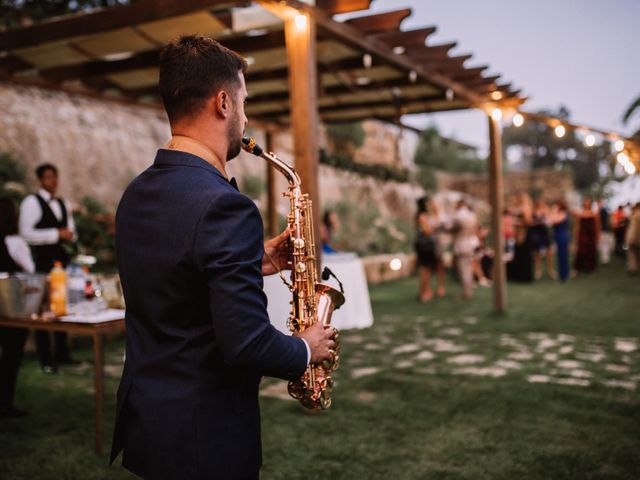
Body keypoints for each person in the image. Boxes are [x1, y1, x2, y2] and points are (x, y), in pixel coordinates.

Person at [109, 35, 336, 480]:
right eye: (243, 101)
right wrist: (304, 349)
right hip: (206, 441)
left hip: (151, 428)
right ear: (222, 103)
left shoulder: (135, 193)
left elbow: (174, 282)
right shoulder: (225, 206)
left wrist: (257, 259)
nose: (245, 115)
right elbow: (246, 343)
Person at [19, 163, 76, 373]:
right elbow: (26, 233)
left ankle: (62, 352)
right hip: (41, 263)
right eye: (49, 177)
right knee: (43, 310)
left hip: (61, 262)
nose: (53, 181)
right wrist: (55, 234)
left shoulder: (63, 203)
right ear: (40, 180)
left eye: (55, 177)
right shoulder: (31, 203)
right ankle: (46, 359)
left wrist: (70, 236)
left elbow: (70, 229)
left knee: (61, 306)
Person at [0, 197, 35, 419]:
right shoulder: (16, 243)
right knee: (11, 358)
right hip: (12, 308)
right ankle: (5, 404)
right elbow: (30, 271)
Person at [414, 196, 445, 302]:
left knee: (427, 269)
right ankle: (424, 292)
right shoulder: (422, 216)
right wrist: (433, 227)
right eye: (427, 204)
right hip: (425, 246)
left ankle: (426, 290)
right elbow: (426, 231)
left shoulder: (422, 216)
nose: (429, 205)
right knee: (425, 269)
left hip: (425, 245)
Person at [452, 199, 478, 300]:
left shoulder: (459, 216)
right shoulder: (471, 215)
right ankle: (468, 291)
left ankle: (466, 292)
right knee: (467, 268)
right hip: (470, 243)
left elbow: (451, 227)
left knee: (463, 270)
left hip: (461, 244)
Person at [507, 193, 534, 283]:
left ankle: (524, 276)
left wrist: (517, 222)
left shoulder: (526, 207)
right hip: (518, 233)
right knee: (519, 253)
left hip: (524, 233)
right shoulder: (519, 207)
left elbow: (528, 222)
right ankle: (518, 275)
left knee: (524, 254)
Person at [573, 197, 600, 275]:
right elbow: (577, 224)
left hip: (591, 234)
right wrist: (575, 234)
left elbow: (597, 224)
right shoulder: (580, 213)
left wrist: (598, 234)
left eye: (588, 202)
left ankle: (591, 268)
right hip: (582, 234)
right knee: (581, 250)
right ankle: (578, 268)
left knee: (591, 250)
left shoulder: (594, 213)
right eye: (585, 202)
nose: (586, 203)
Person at [530, 198, 556, 279]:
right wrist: (538, 221)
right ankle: (538, 271)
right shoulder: (532, 212)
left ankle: (550, 270)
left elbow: (549, 222)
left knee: (549, 252)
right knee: (536, 254)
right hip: (536, 233)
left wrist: (546, 218)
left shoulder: (546, 211)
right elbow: (530, 222)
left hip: (545, 233)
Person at [551, 200, 570, 282]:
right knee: (559, 256)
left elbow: (554, 221)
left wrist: (554, 212)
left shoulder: (563, 214)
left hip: (562, 236)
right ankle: (561, 273)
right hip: (557, 236)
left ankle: (564, 275)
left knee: (563, 256)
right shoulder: (558, 214)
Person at [596, 199, 613, 265]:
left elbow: (601, 222)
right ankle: (604, 258)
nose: (598, 205)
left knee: (604, 245)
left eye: (599, 203)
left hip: (603, 230)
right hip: (603, 230)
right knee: (602, 245)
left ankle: (605, 259)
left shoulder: (602, 211)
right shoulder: (603, 211)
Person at [625, 203, 640, 276]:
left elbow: (633, 229)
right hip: (635, 238)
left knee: (632, 254)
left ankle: (633, 268)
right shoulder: (634, 215)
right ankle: (634, 267)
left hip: (633, 238)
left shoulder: (635, 215)